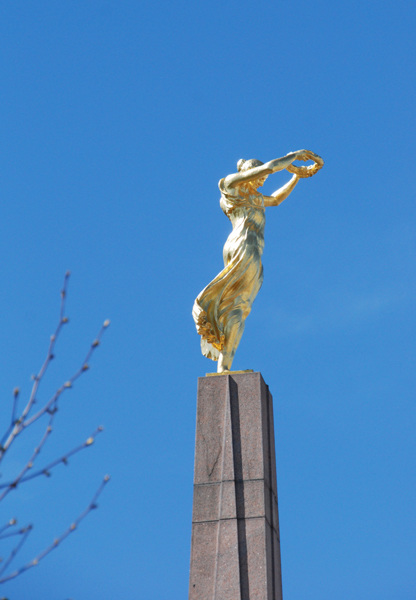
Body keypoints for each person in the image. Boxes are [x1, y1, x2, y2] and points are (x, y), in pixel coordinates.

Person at [192, 149, 323, 373]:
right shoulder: (230, 185)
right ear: (248, 171)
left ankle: (224, 367)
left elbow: (276, 199)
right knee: (237, 303)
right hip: (242, 246)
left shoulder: (254, 198)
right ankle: (223, 362)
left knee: (239, 308)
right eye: (259, 176)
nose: (263, 181)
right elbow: (270, 167)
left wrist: (296, 177)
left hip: (253, 251)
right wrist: (294, 156)